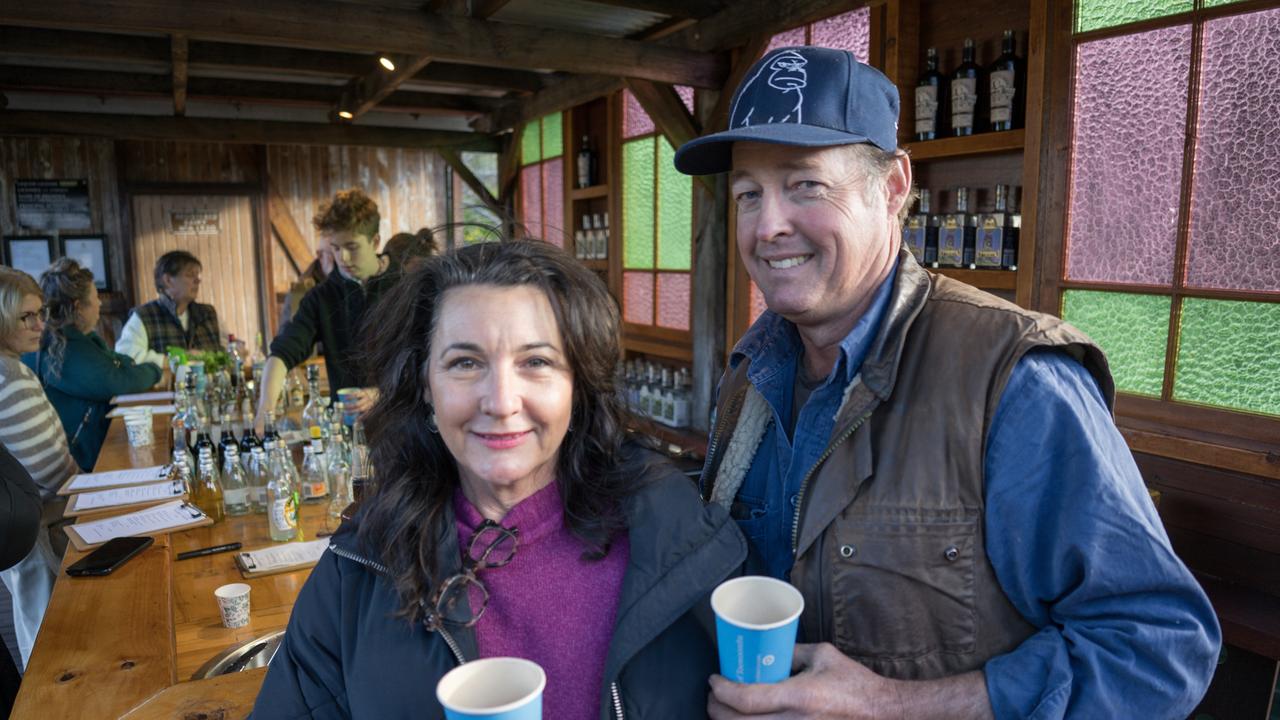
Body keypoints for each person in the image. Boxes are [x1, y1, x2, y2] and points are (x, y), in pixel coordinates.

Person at [673, 46, 1220, 718]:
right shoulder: (751, 375)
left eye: (805, 184)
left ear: (894, 186)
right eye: (748, 194)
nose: (769, 225)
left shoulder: (1011, 381)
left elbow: (1159, 650)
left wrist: (891, 705)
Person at [251, 240, 746, 719]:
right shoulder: (359, 567)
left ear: (578, 384)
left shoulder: (678, 539)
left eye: (536, 362)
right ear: (425, 385)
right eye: (465, 363)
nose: (501, 402)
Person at [255, 188, 398, 427]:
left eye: (352, 247)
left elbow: (425, 360)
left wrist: (382, 393)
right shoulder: (321, 297)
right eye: (335, 247)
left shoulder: (406, 287)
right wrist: (264, 411)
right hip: (346, 429)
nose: (343, 258)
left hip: (402, 424)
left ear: (375, 242)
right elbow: (282, 353)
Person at [0, 267, 77, 670]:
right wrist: (85, 488)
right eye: (26, 317)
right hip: (39, 521)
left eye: (40, 313)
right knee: (46, 626)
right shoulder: (10, 376)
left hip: (20, 522)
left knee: (30, 612)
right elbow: (45, 464)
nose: (39, 325)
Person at [26, 258, 163, 471]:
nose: (100, 304)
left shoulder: (68, 339)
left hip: (79, 452)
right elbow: (120, 381)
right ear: (79, 307)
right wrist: (156, 369)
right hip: (77, 463)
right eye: (96, 297)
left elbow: (118, 365)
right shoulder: (66, 348)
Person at [115, 250, 222, 368]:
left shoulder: (208, 313)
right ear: (168, 280)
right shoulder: (144, 316)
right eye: (190, 275)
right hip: (167, 386)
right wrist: (177, 359)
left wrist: (236, 351)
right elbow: (125, 357)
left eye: (198, 275)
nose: (197, 280)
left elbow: (225, 352)